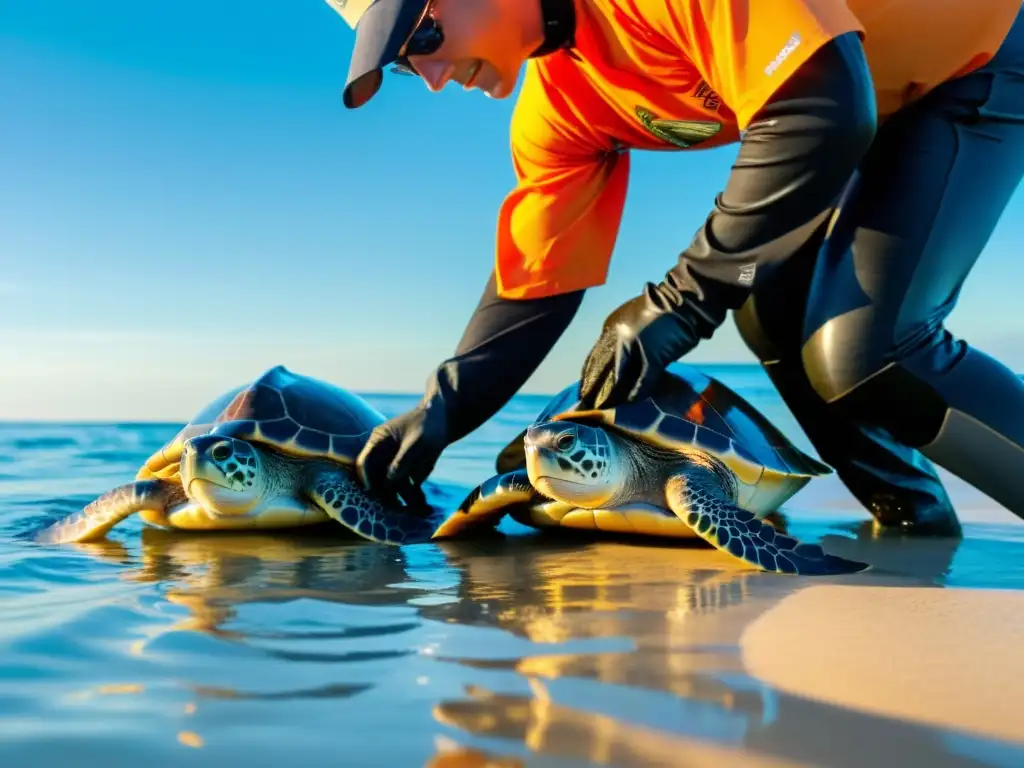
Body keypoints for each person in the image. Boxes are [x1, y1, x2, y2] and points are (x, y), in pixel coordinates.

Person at [325, 0, 1024, 536]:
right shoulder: (559, 103)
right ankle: (916, 525)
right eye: (406, 65)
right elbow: (539, 281)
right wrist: (441, 411)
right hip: (868, 85)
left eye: (421, 37)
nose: (435, 78)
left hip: (974, 58)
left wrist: (682, 301)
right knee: (768, 300)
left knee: (869, 352)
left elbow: (819, 111)